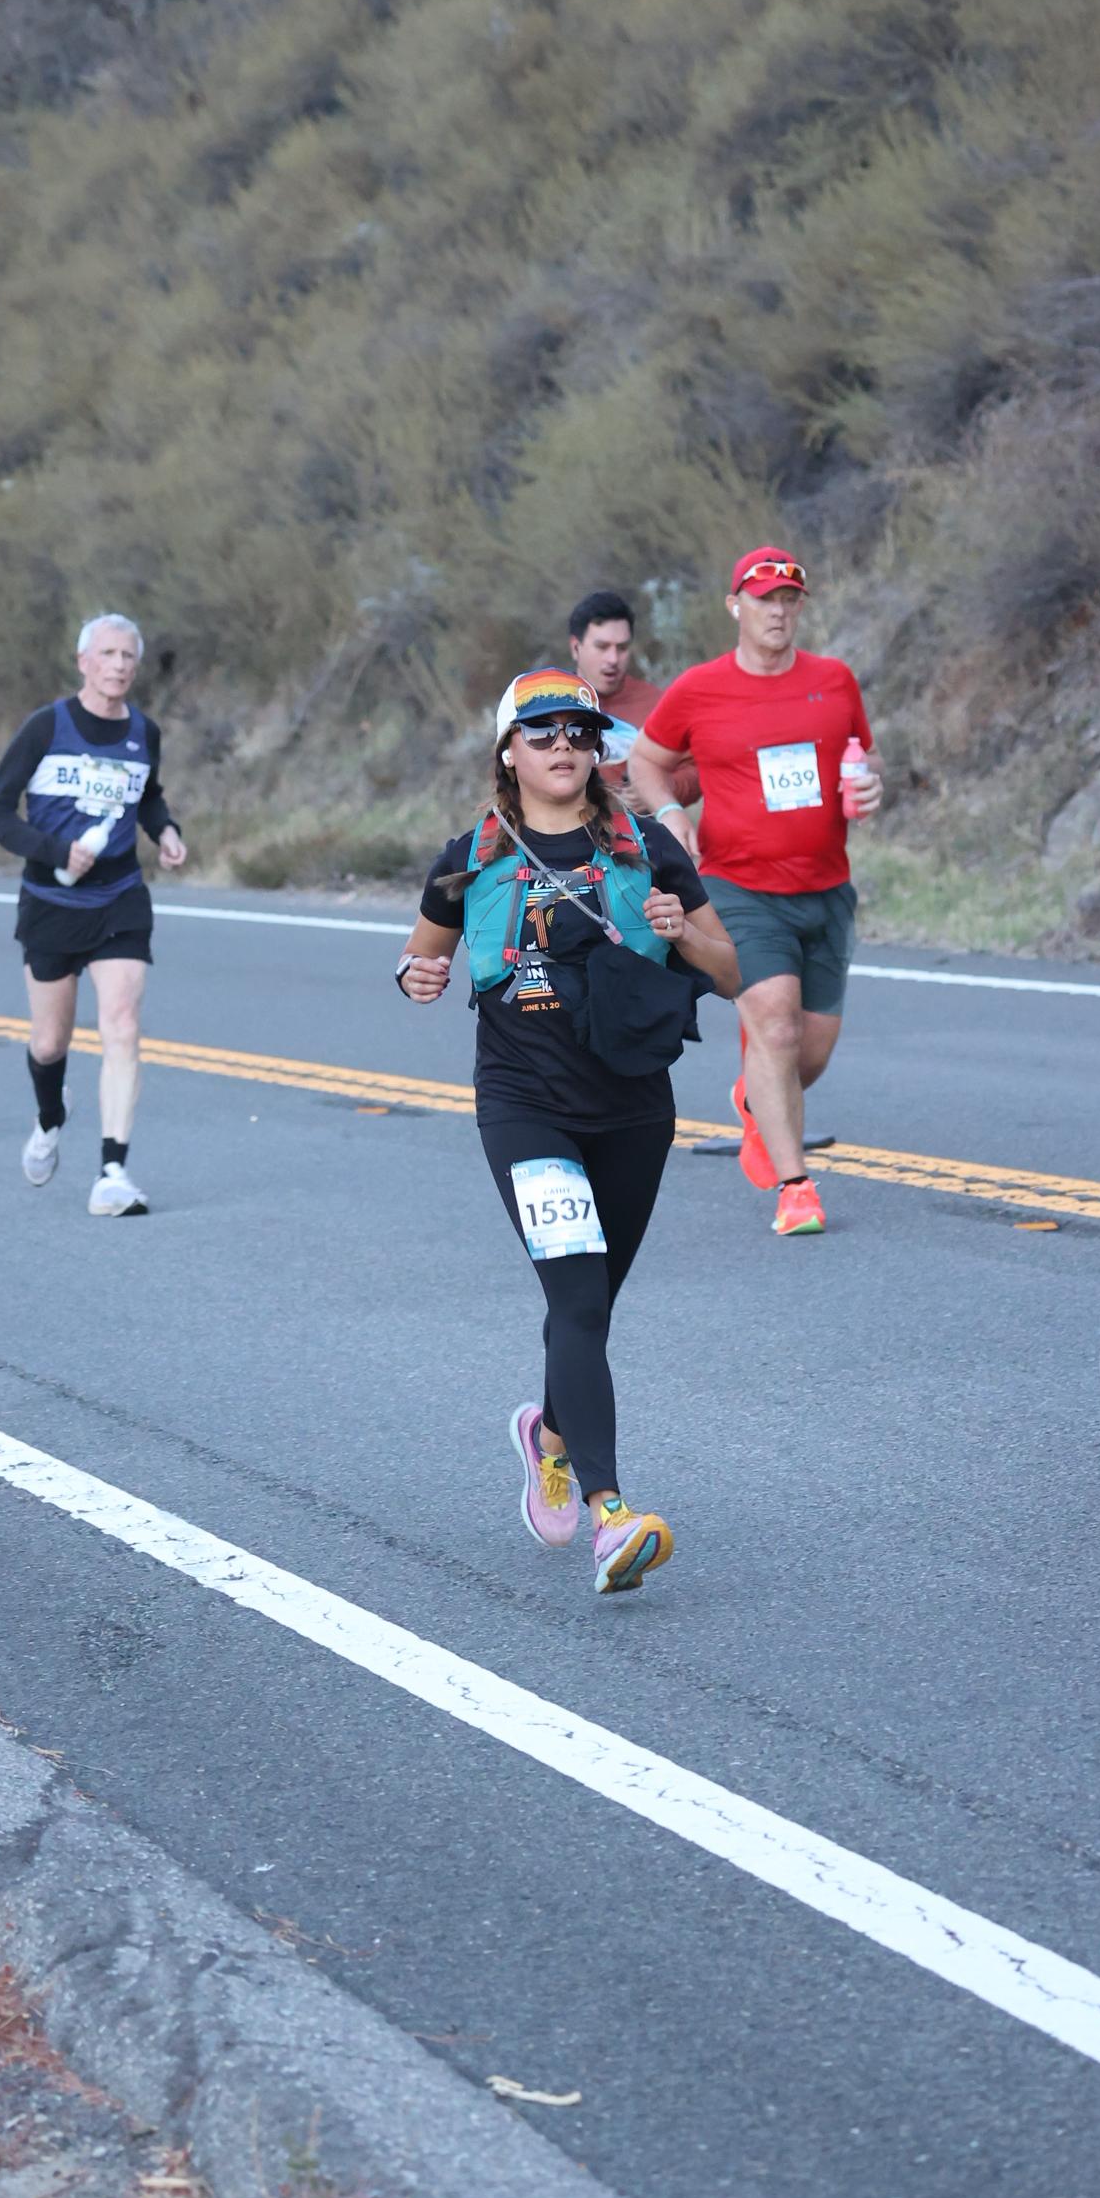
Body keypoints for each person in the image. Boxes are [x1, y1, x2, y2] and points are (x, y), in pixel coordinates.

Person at [397, 667, 740, 1595]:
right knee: (580, 1300)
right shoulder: (468, 857)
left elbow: (732, 972)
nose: (562, 746)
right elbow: (421, 957)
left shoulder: (647, 847)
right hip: (526, 1107)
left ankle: (547, 1434)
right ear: (508, 753)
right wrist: (415, 978)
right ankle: (610, 1516)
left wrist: (683, 931)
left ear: (597, 750)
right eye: (541, 732)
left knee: (590, 1304)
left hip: (634, 1107)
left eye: (579, 732)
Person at [626, 546, 882, 1238]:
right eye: (765, 598)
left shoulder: (834, 681)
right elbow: (646, 759)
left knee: (807, 1053)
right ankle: (796, 1189)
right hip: (738, 885)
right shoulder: (699, 689)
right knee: (774, 1023)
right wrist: (671, 812)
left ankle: (754, 1098)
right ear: (735, 605)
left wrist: (869, 786)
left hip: (826, 889)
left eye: (789, 599)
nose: (778, 611)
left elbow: (862, 757)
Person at [0, 613, 187, 1216]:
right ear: (84, 662)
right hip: (51, 902)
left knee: (121, 1024)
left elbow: (148, 796)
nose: (119, 665)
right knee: (50, 1043)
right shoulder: (47, 726)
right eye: (108, 654)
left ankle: (112, 1172)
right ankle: (50, 1117)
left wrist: (166, 831)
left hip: (119, 897)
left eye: (128, 656)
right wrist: (53, 851)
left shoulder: (144, 732)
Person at [567, 591, 699, 814]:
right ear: (575, 647)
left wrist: (659, 791)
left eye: (622, 648)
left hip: (639, 833)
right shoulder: (548, 704)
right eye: (602, 646)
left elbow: (695, 771)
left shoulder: (657, 705)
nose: (613, 659)